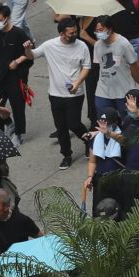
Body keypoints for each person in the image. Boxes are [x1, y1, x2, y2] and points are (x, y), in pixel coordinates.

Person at [32, 16, 90, 170]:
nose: (74, 35)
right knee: (61, 127)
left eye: (75, 32)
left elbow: (86, 67)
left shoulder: (82, 46)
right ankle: (66, 155)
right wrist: (25, 49)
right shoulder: (49, 46)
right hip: (55, 95)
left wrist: (77, 83)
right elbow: (32, 55)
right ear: (61, 34)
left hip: (75, 94)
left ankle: (88, 140)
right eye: (71, 33)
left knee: (74, 123)